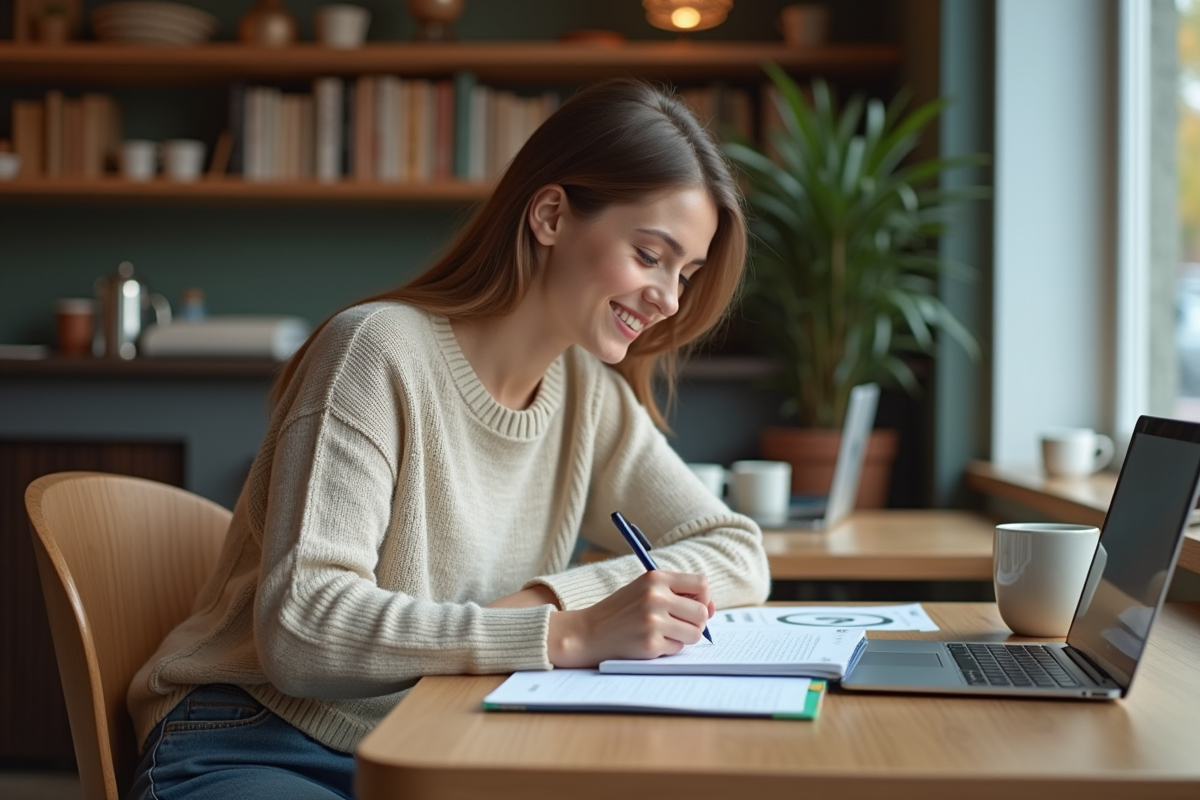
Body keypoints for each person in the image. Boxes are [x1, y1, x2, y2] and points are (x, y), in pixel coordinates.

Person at [126, 78, 771, 800]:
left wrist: (543, 602)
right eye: (650, 256)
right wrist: (568, 631)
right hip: (260, 740)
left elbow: (737, 551)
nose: (670, 300)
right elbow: (304, 630)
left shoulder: (588, 394)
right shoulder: (376, 352)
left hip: (439, 739)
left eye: (686, 274)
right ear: (552, 215)